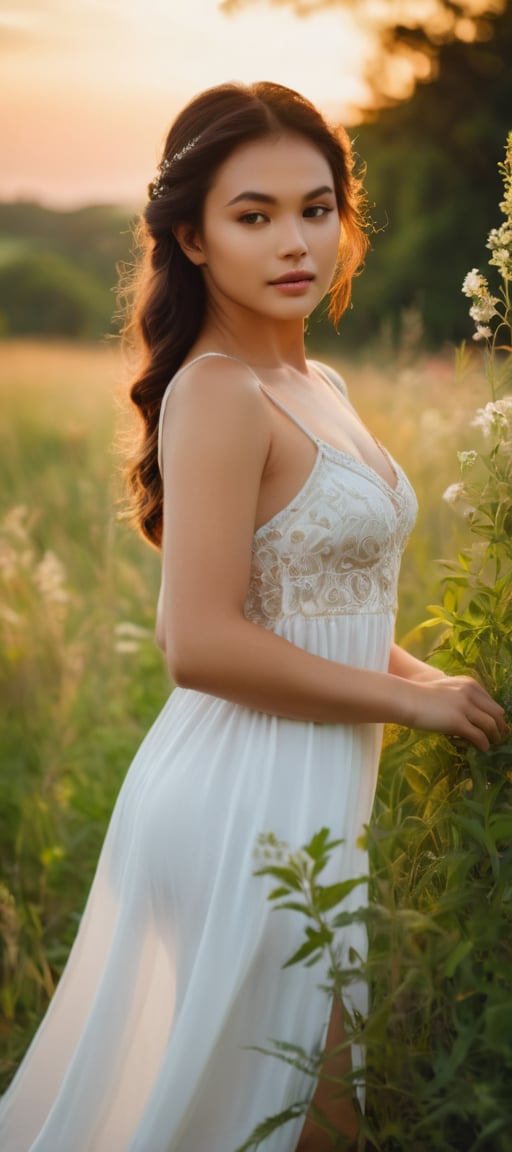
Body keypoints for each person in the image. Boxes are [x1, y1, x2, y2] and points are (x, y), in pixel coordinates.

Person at [0, 81, 507, 1152]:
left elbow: (322, 610)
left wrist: (429, 684)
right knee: (303, 1127)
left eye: (315, 208)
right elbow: (201, 642)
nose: (295, 242)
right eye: (253, 214)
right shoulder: (218, 391)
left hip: (315, 793)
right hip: (242, 805)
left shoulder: (313, 377)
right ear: (190, 236)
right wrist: (409, 709)